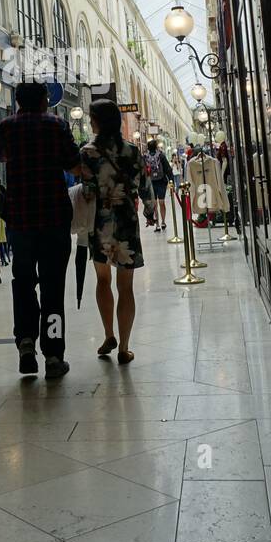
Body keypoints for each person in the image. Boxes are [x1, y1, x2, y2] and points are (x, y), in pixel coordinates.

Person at [0, 82, 80, 378]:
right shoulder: (57, 125)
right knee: (53, 288)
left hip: (21, 221)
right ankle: (54, 355)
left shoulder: (7, 126)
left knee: (23, 283)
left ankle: (26, 343)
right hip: (54, 219)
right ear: (44, 100)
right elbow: (73, 162)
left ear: (17, 102)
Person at [80, 99, 155, 365]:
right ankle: (124, 347)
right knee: (126, 287)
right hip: (125, 221)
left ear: (97, 121)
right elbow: (145, 185)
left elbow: (87, 191)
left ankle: (108, 334)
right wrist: (149, 210)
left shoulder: (87, 152)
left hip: (100, 221)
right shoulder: (132, 151)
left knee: (102, 281)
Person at [145, 138, 172, 232]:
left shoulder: (145, 157)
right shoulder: (161, 156)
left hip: (151, 182)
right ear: (156, 147)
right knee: (161, 202)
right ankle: (163, 222)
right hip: (161, 182)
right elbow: (168, 169)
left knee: (155, 204)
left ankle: (157, 224)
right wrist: (171, 180)